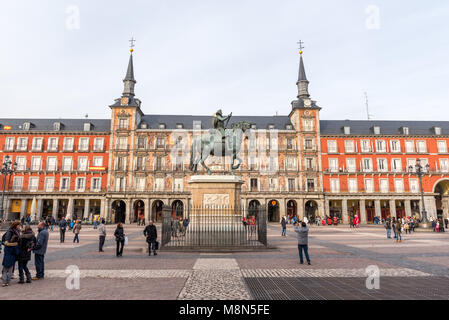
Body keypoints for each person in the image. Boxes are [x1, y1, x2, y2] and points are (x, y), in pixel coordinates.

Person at [2, 222, 21, 287]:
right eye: (19, 225)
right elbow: (17, 252)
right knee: (10, 270)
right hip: (12, 258)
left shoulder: (7, 246)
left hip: (6, 257)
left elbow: (5, 248)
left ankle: (4, 282)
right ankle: (8, 281)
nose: (19, 226)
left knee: (5, 269)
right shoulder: (15, 245)